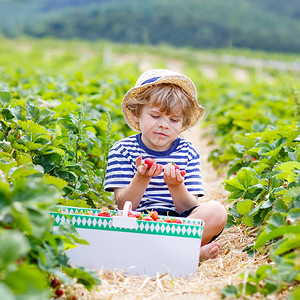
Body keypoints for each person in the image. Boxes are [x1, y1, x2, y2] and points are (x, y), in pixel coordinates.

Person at [104, 69, 227, 259]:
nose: (164, 125)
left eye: (174, 120)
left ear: (182, 123)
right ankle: (185, 252)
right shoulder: (122, 150)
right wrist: (142, 178)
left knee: (216, 212)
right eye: (155, 116)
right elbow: (123, 205)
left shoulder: (188, 152)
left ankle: (170, 250)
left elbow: (188, 207)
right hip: (138, 224)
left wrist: (175, 185)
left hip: (178, 225)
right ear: (137, 115)